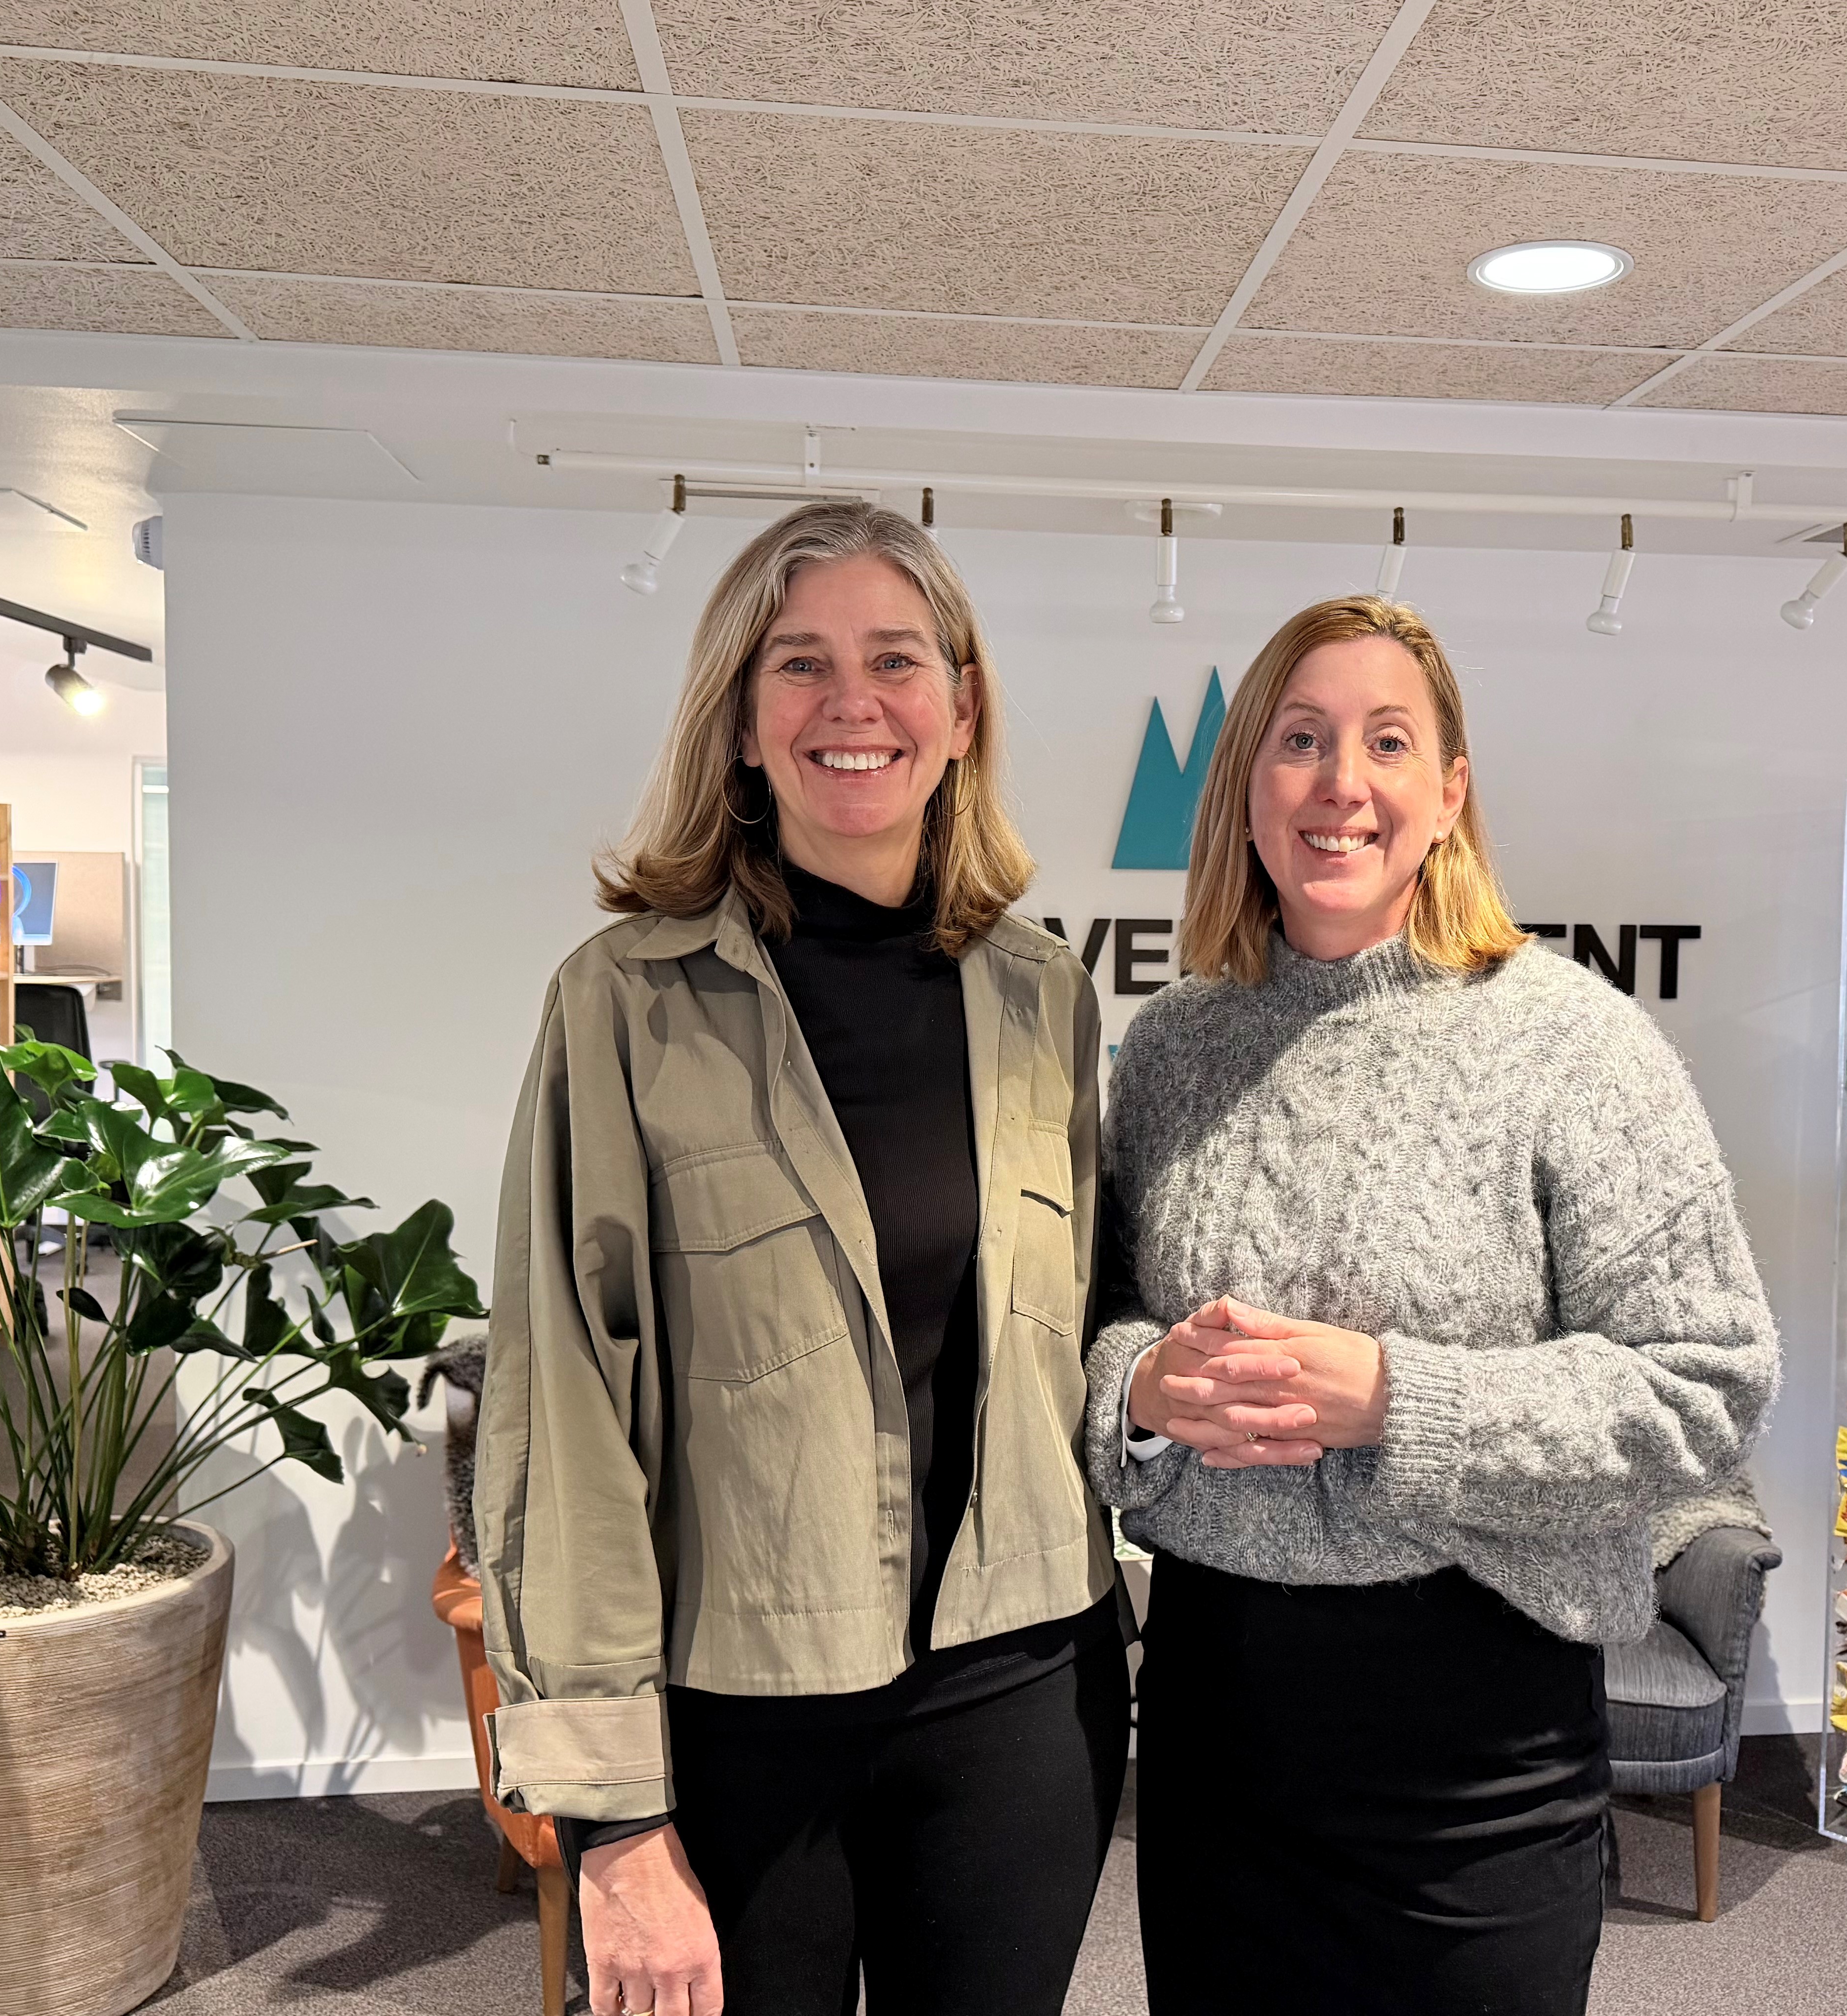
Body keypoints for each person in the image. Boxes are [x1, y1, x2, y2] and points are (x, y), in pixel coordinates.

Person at [1085, 594, 1781, 2016]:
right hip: (1218, 1725)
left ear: (1449, 792)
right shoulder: (1168, 1048)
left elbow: (1707, 1377)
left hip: (1479, 1745)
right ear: (1247, 786)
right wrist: (1144, 1387)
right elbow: (1092, 1325)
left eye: (1386, 741)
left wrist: (1400, 1401)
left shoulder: (1572, 1041)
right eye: (1300, 740)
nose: (1340, 781)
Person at [476, 500, 1125, 2016]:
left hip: (1019, 1687)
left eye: (896, 660)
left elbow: (1080, 1335)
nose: (854, 702)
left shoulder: (1043, 996)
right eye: (800, 663)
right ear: (740, 718)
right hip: (736, 1716)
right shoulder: (625, 1003)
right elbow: (562, 1418)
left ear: (961, 709)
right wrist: (615, 1822)